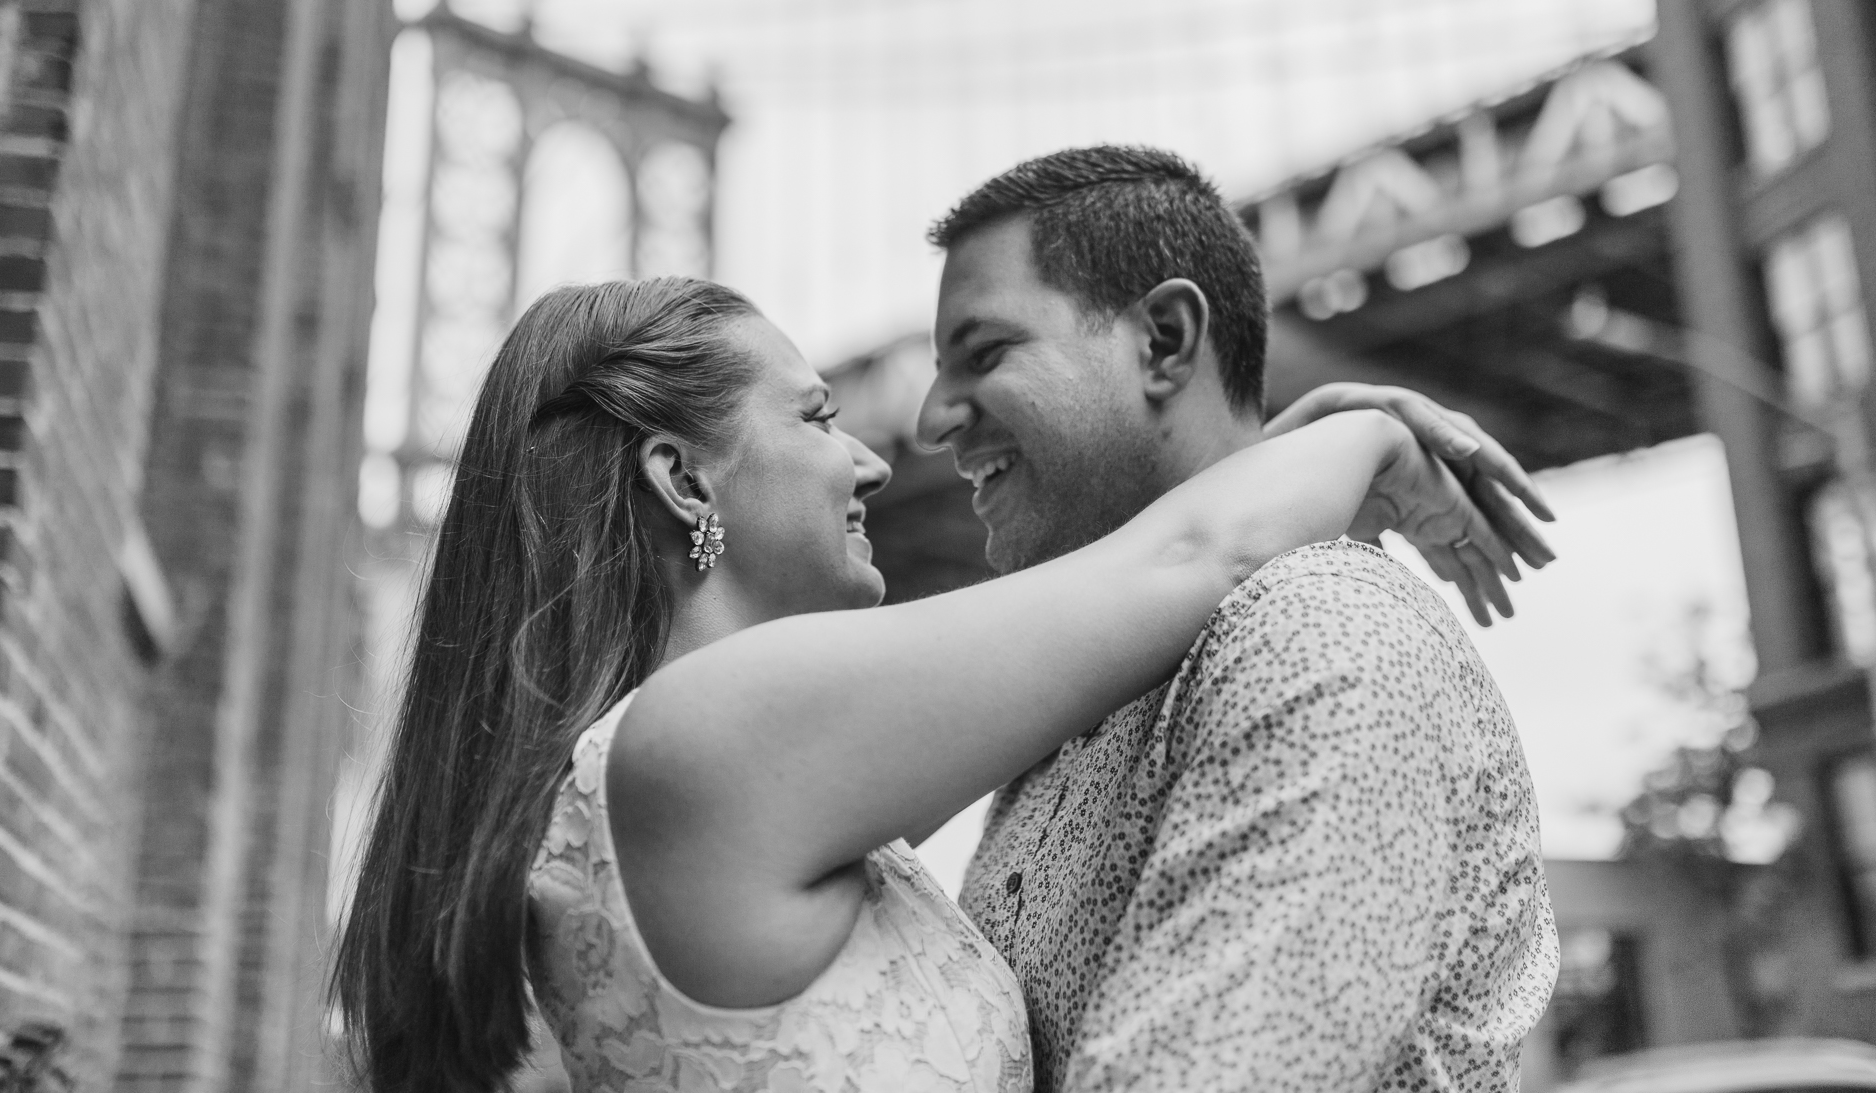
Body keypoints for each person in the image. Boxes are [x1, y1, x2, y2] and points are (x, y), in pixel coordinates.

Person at [330, 272, 1548, 1093]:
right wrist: (1372, 435)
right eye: (813, 417)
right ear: (682, 481)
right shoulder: (710, 743)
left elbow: (1093, 650)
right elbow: (1189, 559)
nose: (867, 454)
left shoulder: (682, 784)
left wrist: (1276, 459)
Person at [916, 144, 1562, 1092]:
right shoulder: (1074, 687)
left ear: (1167, 340)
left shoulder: (1322, 635)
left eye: (986, 353)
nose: (931, 419)